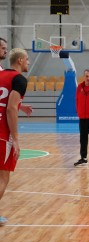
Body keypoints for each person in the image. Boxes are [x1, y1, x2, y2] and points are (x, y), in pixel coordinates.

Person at [0, 48, 30, 226]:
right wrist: (16, 139)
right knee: (3, 178)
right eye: (27, 59)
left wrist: (21, 105)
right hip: (3, 134)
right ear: (19, 60)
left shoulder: (1, 75)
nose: (28, 62)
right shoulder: (18, 79)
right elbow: (10, 108)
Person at [0, 37, 33, 116]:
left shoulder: (2, 70)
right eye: (3, 48)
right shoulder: (18, 78)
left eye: (6, 49)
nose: (6, 51)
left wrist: (19, 106)